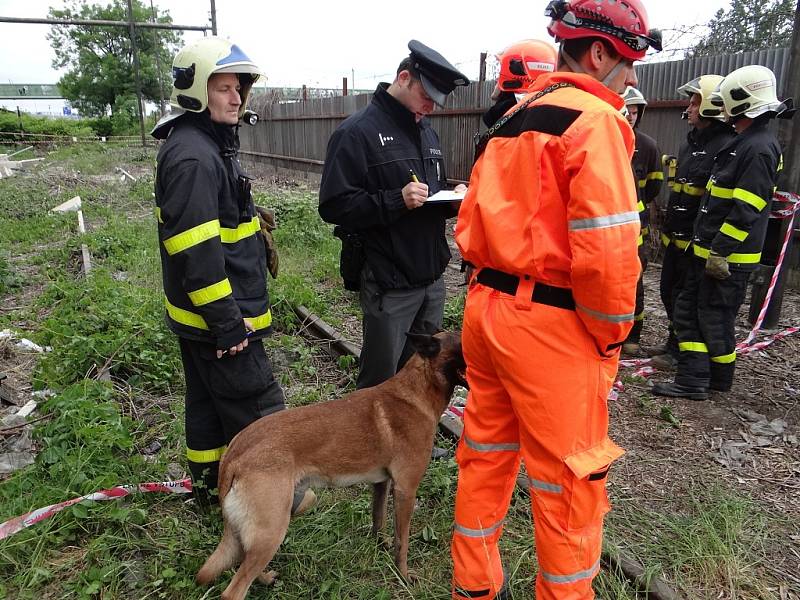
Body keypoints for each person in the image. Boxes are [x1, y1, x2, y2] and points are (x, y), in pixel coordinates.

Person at [451, 1, 661, 598]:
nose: (633, 75)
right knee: (570, 484)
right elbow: (610, 252)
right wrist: (611, 334)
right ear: (600, 52)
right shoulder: (594, 122)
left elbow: (469, 222)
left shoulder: (514, 118)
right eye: (630, 61)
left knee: (484, 457)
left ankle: (473, 588)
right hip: (551, 327)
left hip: (485, 312)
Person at [152, 37, 314, 513]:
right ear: (196, 92)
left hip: (202, 319)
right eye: (223, 88)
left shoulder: (206, 146)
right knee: (259, 411)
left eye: (238, 87)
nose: (236, 97)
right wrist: (227, 323)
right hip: (222, 322)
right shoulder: (194, 158)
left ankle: (210, 493)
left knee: (207, 408)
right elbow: (196, 252)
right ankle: (278, 501)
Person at [318, 41, 469, 391]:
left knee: (420, 377)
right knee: (379, 382)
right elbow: (333, 205)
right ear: (404, 78)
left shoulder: (426, 133)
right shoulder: (356, 133)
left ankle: (405, 445)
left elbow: (429, 192)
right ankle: (366, 446)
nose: (430, 107)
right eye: (427, 96)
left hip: (431, 279)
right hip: (390, 282)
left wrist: (451, 199)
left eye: (436, 101)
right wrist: (394, 200)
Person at [652, 65, 793, 400]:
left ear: (739, 99)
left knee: (700, 316)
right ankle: (717, 379)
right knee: (709, 316)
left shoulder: (756, 147)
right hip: (713, 251)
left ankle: (693, 380)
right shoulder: (747, 143)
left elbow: (747, 207)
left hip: (725, 256)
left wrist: (720, 250)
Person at [649, 75, 735, 369]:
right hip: (675, 238)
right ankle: (674, 344)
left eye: (695, 101)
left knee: (687, 299)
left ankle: (683, 355)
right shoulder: (691, 144)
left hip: (697, 244)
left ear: (711, 105)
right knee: (668, 292)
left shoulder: (725, 147)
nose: (689, 107)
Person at [621, 86, 663, 356]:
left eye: (636, 112)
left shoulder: (646, 146)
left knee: (634, 282)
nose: (631, 116)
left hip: (636, 228)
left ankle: (633, 335)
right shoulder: (604, 138)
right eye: (628, 111)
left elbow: (653, 188)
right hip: (608, 229)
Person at [481, 39, 557, 128]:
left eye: (501, 68)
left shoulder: (503, 115)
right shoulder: (550, 113)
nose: (498, 77)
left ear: (517, 71)